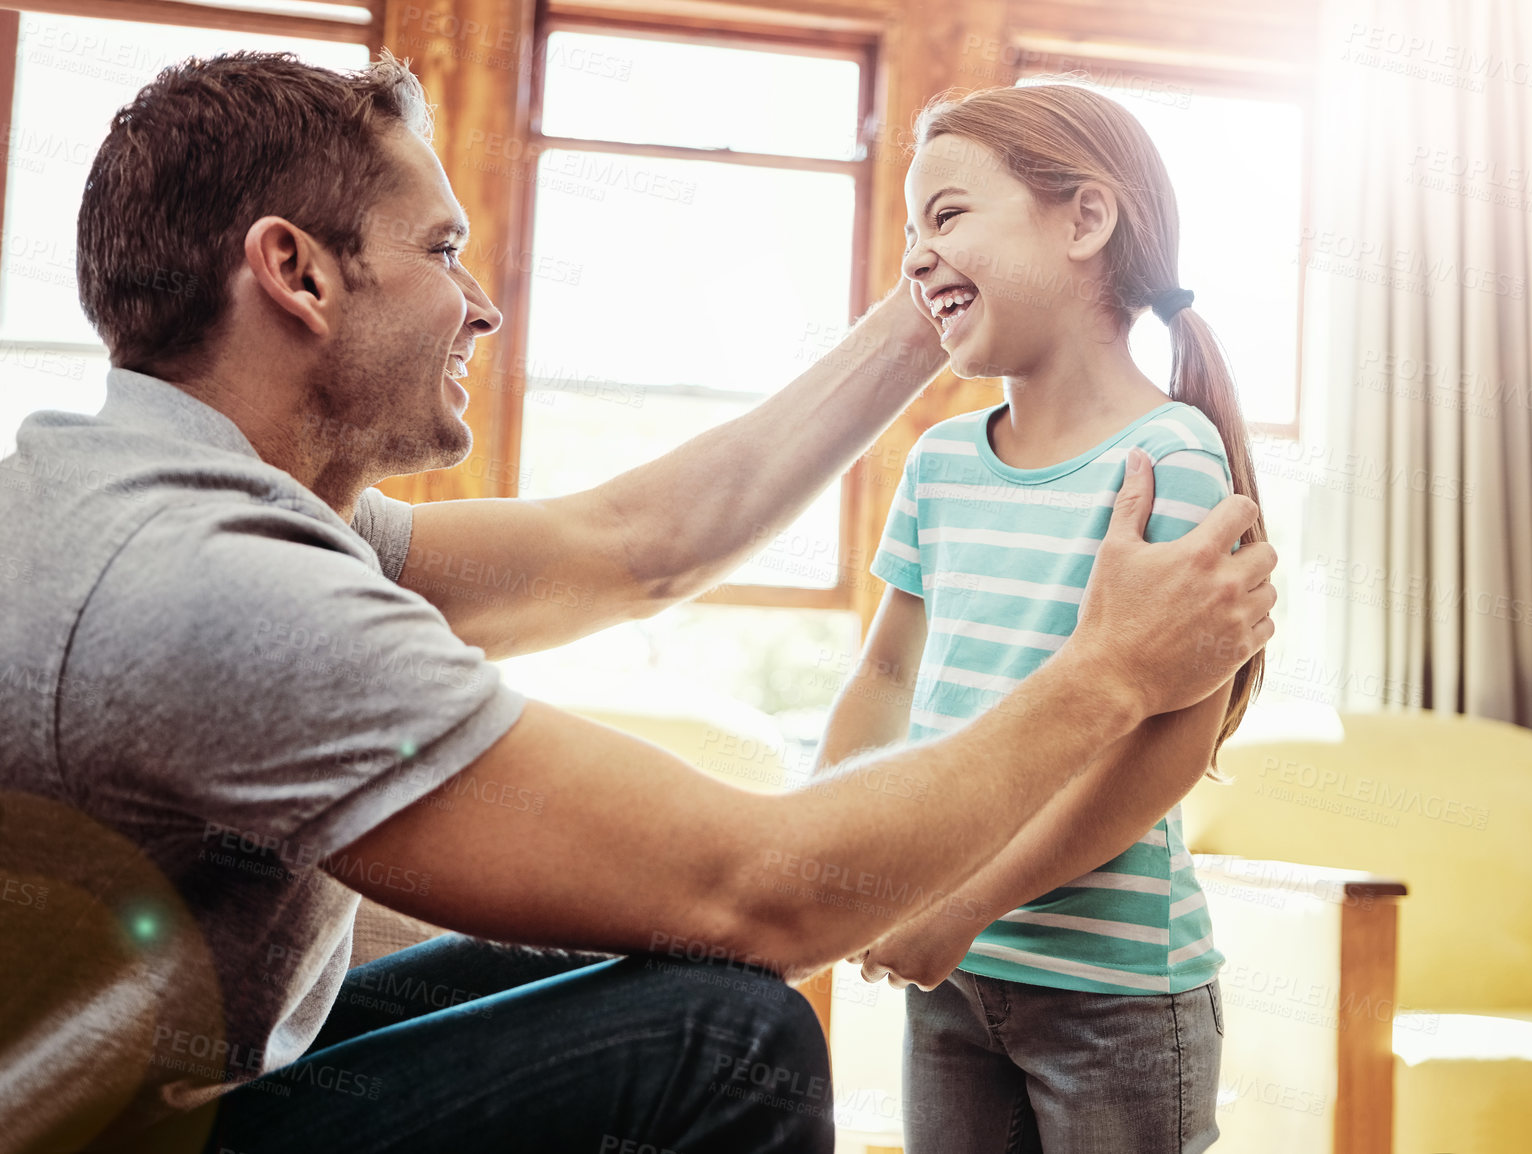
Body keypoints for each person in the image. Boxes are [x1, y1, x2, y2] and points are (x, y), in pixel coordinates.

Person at [0, 52, 1276, 1154]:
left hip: (160, 1082)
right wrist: (1109, 670)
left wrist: (928, 305)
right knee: (729, 1025)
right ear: (296, 272)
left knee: (656, 955)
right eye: (443, 248)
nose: (482, 302)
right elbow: (761, 891)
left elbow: (632, 547)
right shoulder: (212, 579)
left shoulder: (197, 492)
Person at [819, 84, 1265, 1153]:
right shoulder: (938, 464)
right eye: (911, 230)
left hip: (1112, 995)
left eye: (948, 214)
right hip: (953, 975)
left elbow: (1170, 746)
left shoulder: (1169, 463)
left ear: (1084, 218)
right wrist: (822, 865)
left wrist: (969, 897)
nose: (917, 257)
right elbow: (885, 680)